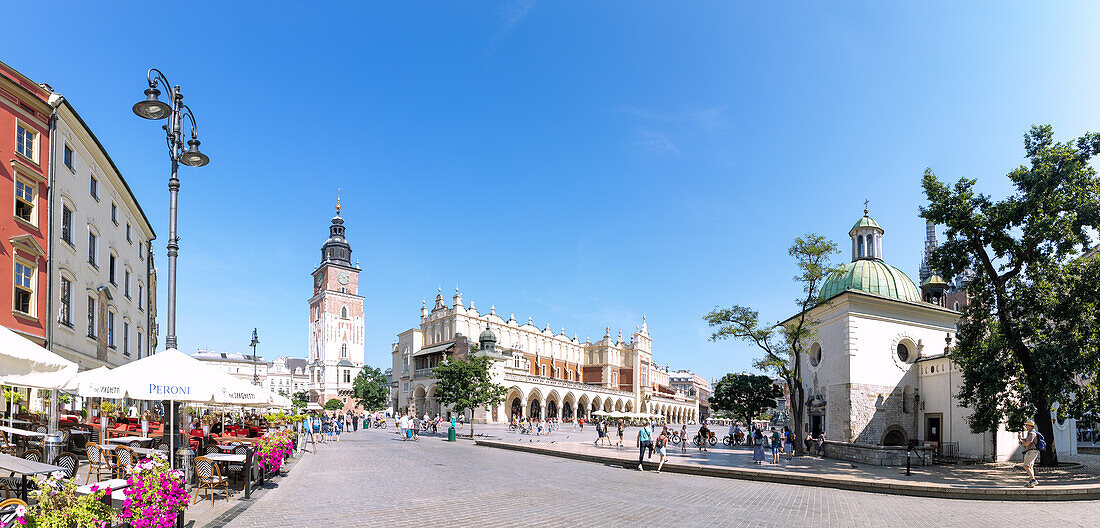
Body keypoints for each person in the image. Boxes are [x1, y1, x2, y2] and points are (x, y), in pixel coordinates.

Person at [1018, 419, 1040, 487]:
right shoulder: (1032, 433)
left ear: (1031, 426)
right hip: (1033, 451)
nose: (1026, 426)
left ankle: (1033, 480)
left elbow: (1028, 443)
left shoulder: (1031, 433)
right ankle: (1031, 481)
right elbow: (1028, 440)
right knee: (1030, 466)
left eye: (1027, 425)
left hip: (1031, 451)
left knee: (1026, 466)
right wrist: (1022, 438)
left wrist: (1021, 443)